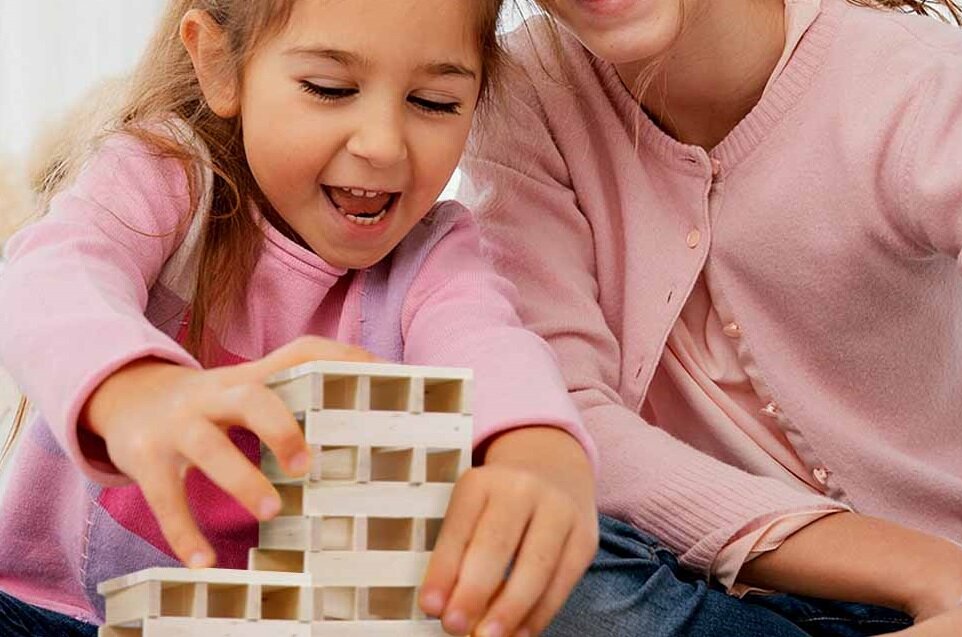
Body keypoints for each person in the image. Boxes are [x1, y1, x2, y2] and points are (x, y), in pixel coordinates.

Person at [0, 1, 600, 636]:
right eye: (330, 88)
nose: (382, 145)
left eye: (433, 102)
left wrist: (540, 450)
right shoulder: (164, 174)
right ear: (219, 66)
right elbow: (48, 275)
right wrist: (136, 388)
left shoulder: (433, 257)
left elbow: (490, 343)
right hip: (48, 610)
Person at [459, 0, 962, 634]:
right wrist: (918, 568)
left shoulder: (925, 84)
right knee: (496, 546)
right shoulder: (529, 87)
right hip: (704, 585)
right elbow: (563, 412)